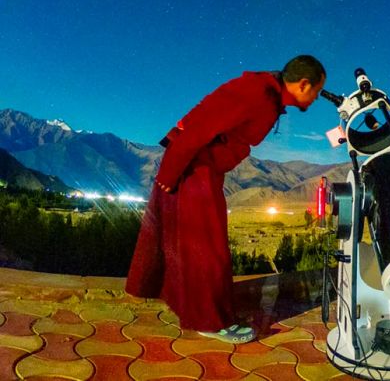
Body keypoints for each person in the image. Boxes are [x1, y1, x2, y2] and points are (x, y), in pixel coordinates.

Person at [126, 55, 326, 344]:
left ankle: (192, 308)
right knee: (208, 248)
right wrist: (168, 176)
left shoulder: (267, 93)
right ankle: (210, 321)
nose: (316, 98)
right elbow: (201, 126)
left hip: (202, 169)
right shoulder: (258, 94)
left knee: (195, 244)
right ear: (303, 84)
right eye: (317, 92)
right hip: (194, 168)